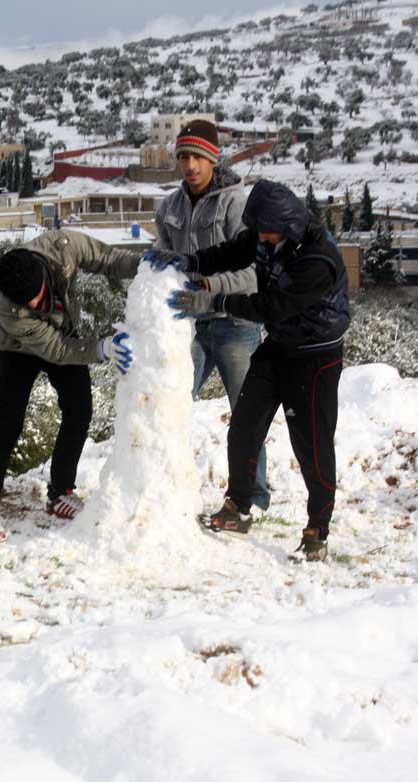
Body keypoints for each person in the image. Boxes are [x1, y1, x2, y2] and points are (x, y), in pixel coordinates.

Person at [167, 179, 350, 561]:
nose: (262, 238)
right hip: (279, 346)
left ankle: (318, 528)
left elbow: (272, 306)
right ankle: (238, 507)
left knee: (312, 443)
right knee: (245, 425)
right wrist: (192, 262)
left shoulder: (318, 260)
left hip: (315, 355)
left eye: (268, 232)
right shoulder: (267, 235)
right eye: (260, 231)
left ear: (288, 225)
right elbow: (233, 251)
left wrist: (212, 300)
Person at [0, 230, 138, 545]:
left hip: (65, 332)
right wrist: (101, 348)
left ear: (44, 272)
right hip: (20, 349)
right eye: (26, 302)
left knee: (79, 412)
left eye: (36, 294)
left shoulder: (63, 247)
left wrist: (146, 266)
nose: (35, 303)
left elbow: (109, 259)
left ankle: (60, 492)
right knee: (8, 423)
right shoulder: (8, 307)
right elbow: (56, 349)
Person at [151, 119, 270, 512]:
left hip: (236, 323)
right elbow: (168, 267)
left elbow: (256, 274)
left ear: (213, 158)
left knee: (246, 413)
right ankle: (165, 488)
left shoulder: (238, 205)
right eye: (183, 156)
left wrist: (210, 293)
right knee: (171, 403)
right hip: (189, 326)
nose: (190, 166)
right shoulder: (168, 207)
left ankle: (252, 495)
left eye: (198, 157)